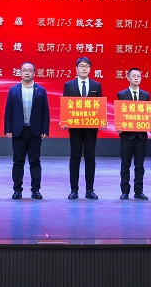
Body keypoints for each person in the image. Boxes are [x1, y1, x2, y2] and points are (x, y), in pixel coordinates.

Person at [4, 62, 50, 200]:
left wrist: (45, 129)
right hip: (18, 132)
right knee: (18, 162)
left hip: (35, 132)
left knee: (35, 162)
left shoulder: (41, 90)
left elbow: (45, 112)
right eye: (24, 70)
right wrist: (7, 129)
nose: (27, 73)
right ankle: (17, 190)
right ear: (20, 72)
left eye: (30, 70)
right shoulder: (13, 90)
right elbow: (8, 111)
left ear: (34, 73)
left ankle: (36, 190)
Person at [62, 57, 103, 200]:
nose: (84, 68)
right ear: (76, 68)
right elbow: (66, 104)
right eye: (81, 66)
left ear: (90, 69)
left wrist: (102, 120)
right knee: (75, 157)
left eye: (86, 66)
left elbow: (99, 105)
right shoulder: (69, 85)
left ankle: (89, 190)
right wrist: (65, 121)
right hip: (75, 129)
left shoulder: (96, 85)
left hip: (91, 129)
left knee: (90, 157)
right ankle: (74, 190)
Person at [116, 68, 150, 200]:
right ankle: (125, 191)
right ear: (128, 78)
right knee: (125, 165)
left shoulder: (145, 95)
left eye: (138, 76)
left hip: (141, 136)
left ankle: (138, 191)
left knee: (139, 165)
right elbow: (120, 113)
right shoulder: (121, 94)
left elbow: (148, 114)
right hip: (127, 136)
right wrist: (119, 125)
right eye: (133, 76)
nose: (136, 78)